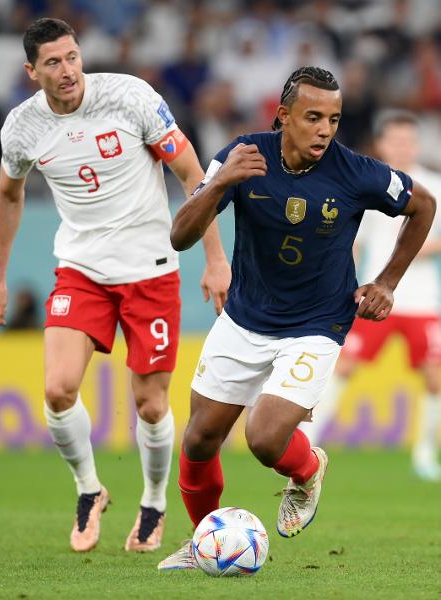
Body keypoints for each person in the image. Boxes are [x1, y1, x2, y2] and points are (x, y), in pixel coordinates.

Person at [156, 66, 436, 571]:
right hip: (244, 319)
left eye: (333, 118)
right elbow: (179, 236)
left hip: (316, 325)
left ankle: (307, 470)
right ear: (283, 116)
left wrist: (387, 282)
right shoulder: (245, 155)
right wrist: (220, 181)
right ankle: (204, 544)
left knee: (264, 439)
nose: (325, 129)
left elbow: (424, 204)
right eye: (313, 117)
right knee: (198, 438)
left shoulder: (355, 172)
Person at [0, 18, 231, 553]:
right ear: (32, 72)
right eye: (53, 62)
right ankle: (89, 489)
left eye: (72, 56)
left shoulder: (130, 97)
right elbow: (9, 196)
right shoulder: (22, 128)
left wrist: (215, 260)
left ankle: (153, 502)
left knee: (149, 405)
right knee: (57, 389)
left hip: (150, 268)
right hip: (80, 269)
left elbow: (195, 177)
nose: (67, 69)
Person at [300, 110, 441, 482]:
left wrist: (420, 247)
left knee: (435, 375)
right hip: (371, 296)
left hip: (420, 300)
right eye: (396, 140)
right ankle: (308, 442)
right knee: (343, 365)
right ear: (382, 144)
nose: (403, 146)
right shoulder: (367, 184)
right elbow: (353, 243)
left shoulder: (433, 186)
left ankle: (425, 451)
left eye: (409, 140)